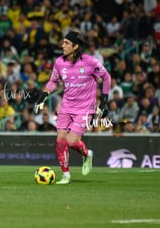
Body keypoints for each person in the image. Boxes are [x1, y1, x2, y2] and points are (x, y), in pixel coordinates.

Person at [34, 28, 111, 184]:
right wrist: (44, 94)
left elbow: (106, 78)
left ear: (75, 46)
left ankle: (87, 154)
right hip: (66, 106)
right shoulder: (59, 62)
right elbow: (53, 80)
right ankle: (66, 175)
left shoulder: (90, 62)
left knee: (72, 141)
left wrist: (104, 101)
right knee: (60, 141)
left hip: (85, 108)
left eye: (67, 43)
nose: (63, 45)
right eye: (63, 42)